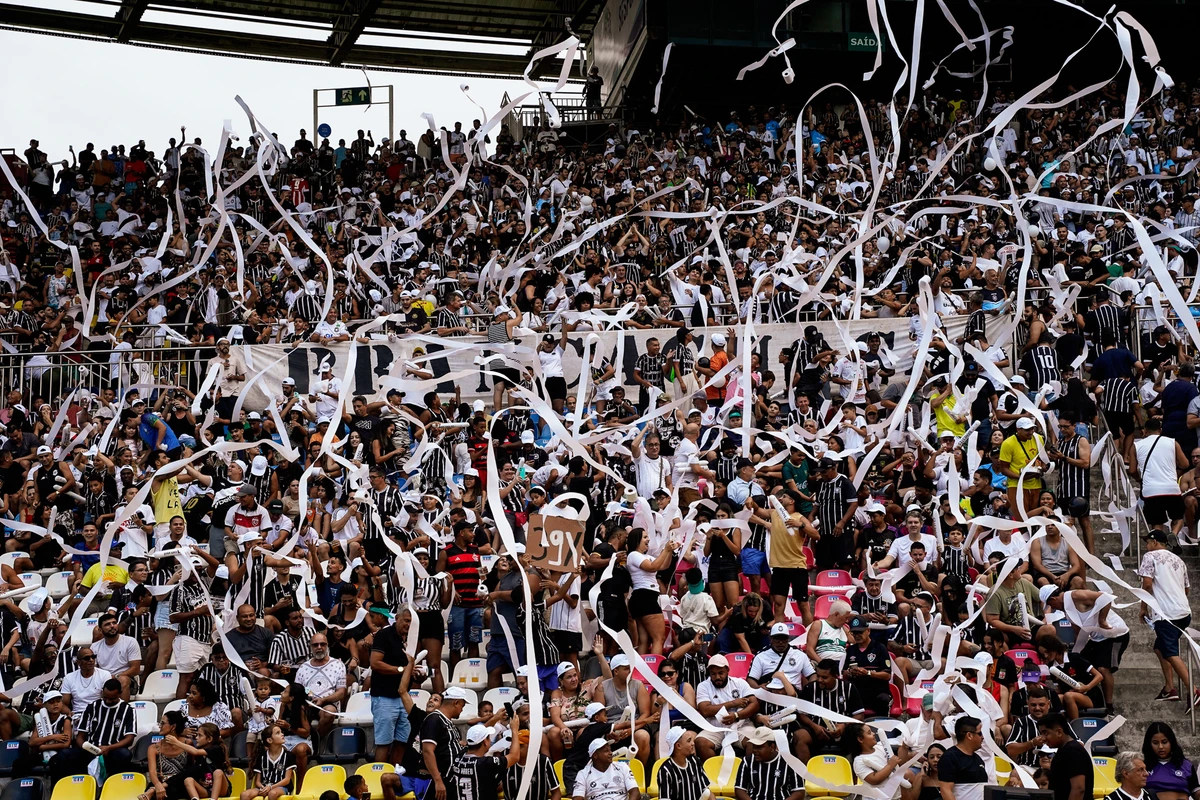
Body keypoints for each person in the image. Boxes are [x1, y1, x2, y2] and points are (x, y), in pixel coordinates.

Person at [1137, 529, 1198, 705]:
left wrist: (1143, 608)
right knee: (1160, 648)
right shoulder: (1179, 560)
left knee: (1171, 653)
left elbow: (1147, 584)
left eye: (1147, 542)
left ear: (1155, 542)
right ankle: (1169, 688)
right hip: (1183, 611)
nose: (1146, 546)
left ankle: (1193, 690)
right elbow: (1186, 588)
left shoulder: (1150, 556)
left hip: (1166, 614)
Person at [421, 686, 471, 800]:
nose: (462, 709)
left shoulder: (447, 721)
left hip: (451, 779)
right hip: (441, 779)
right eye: (462, 706)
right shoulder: (434, 719)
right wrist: (438, 781)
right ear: (456, 702)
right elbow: (427, 751)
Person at [734, 727, 804, 800]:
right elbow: (739, 790)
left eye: (759, 747)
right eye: (754, 746)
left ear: (772, 747)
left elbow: (799, 792)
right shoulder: (747, 761)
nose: (754, 750)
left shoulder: (790, 762)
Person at [1041, 712, 1094, 800]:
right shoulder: (1065, 750)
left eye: (1045, 733)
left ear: (1059, 732)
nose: (1043, 738)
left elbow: (1078, 789)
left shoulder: (1073, 751)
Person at [937, 716, 988, 800]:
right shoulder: (950, 758)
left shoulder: (978, 759)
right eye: (980, 733)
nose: (982, 737)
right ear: (969, 735)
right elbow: (945, 790)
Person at [571, 739, 638, 800]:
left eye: (610, 750)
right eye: (606, 751)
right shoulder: (583, 774)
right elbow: (577, 798)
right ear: (595, 755)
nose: (611, 753)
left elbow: (635, 793)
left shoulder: (622, 766)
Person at [656, 728, 708, 800]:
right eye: (689, 741)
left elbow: (707, 792)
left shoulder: (695, 762)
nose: (693, 743)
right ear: (678, 746)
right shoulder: (665, 770)